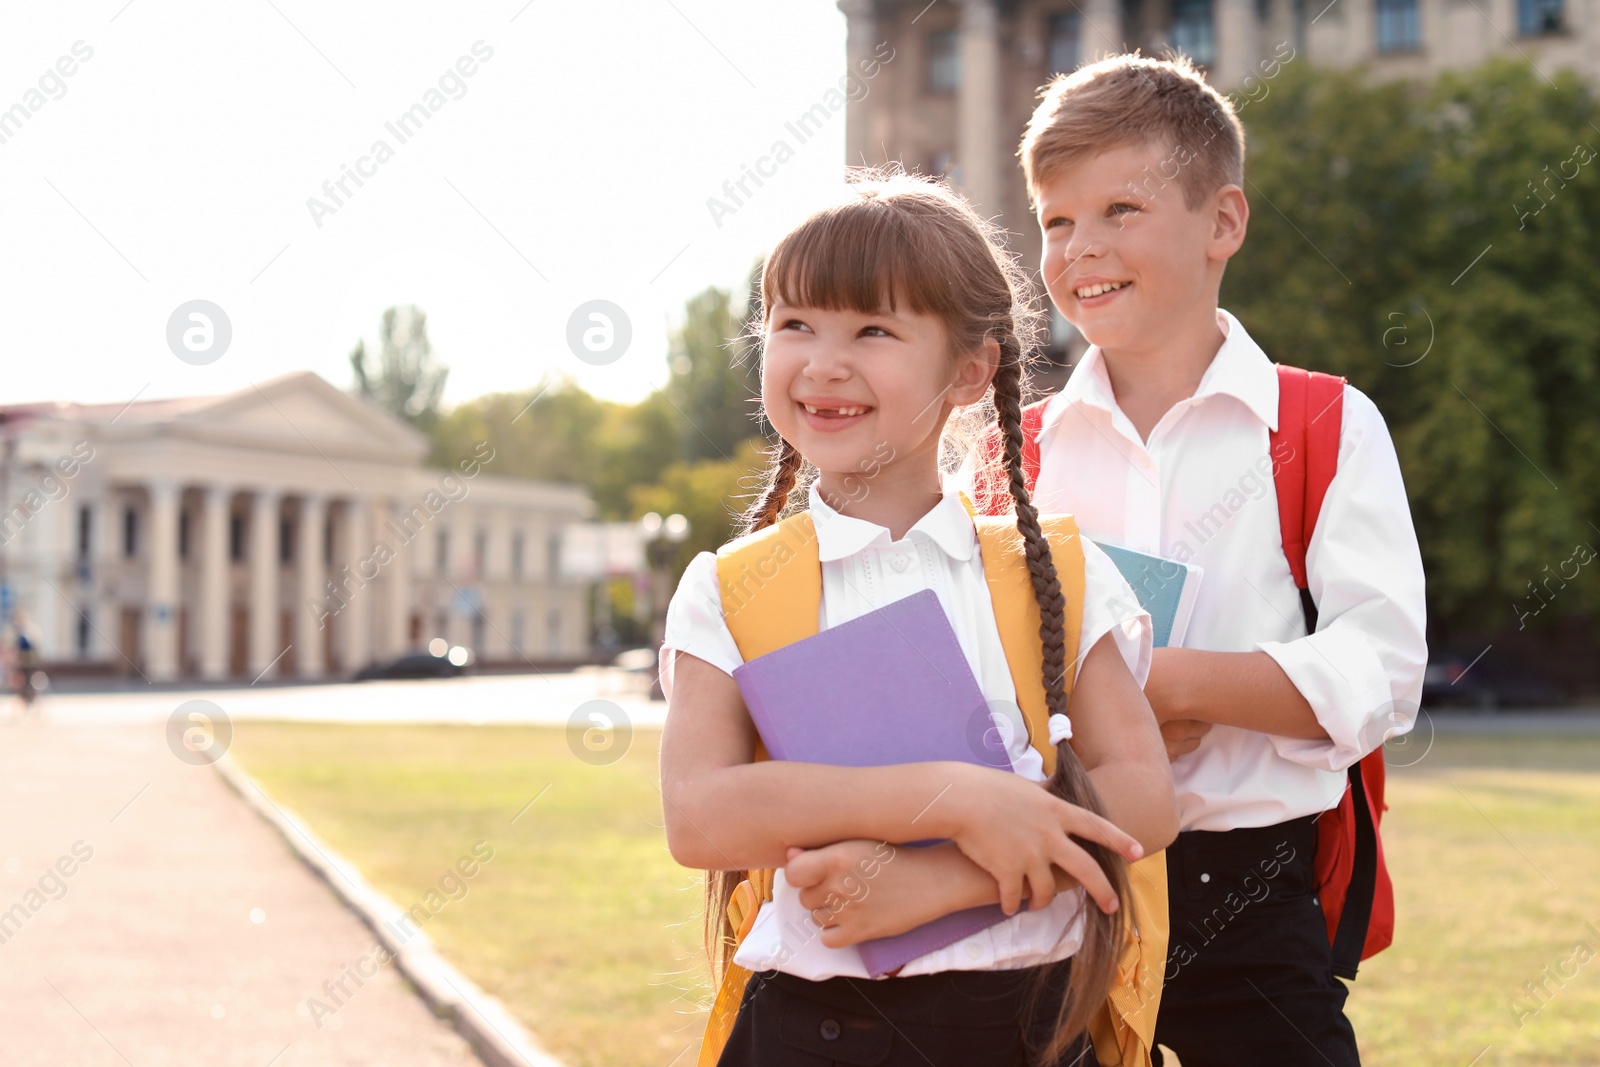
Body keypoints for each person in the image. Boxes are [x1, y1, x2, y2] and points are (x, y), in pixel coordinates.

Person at [657, 168, 1178, 1067]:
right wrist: (954, 795)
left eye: (872, 329)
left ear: (971, 369)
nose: (823, 362)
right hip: (813, 1036)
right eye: (793, 325)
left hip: (1029, 1030)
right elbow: (700, 814)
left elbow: (1145, 793)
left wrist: (942, 877)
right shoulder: (728, 586)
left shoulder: (1054, 569)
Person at [1011, 54, 1428, 1065]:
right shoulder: (1011, 453)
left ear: (1223, 223)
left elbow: (1383, 665)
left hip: (1244, 895)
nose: (1081, 247)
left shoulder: (1323, 422)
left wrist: (1180, 682)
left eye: (1119, 208)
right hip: (1061, 879)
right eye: (1056, 220)